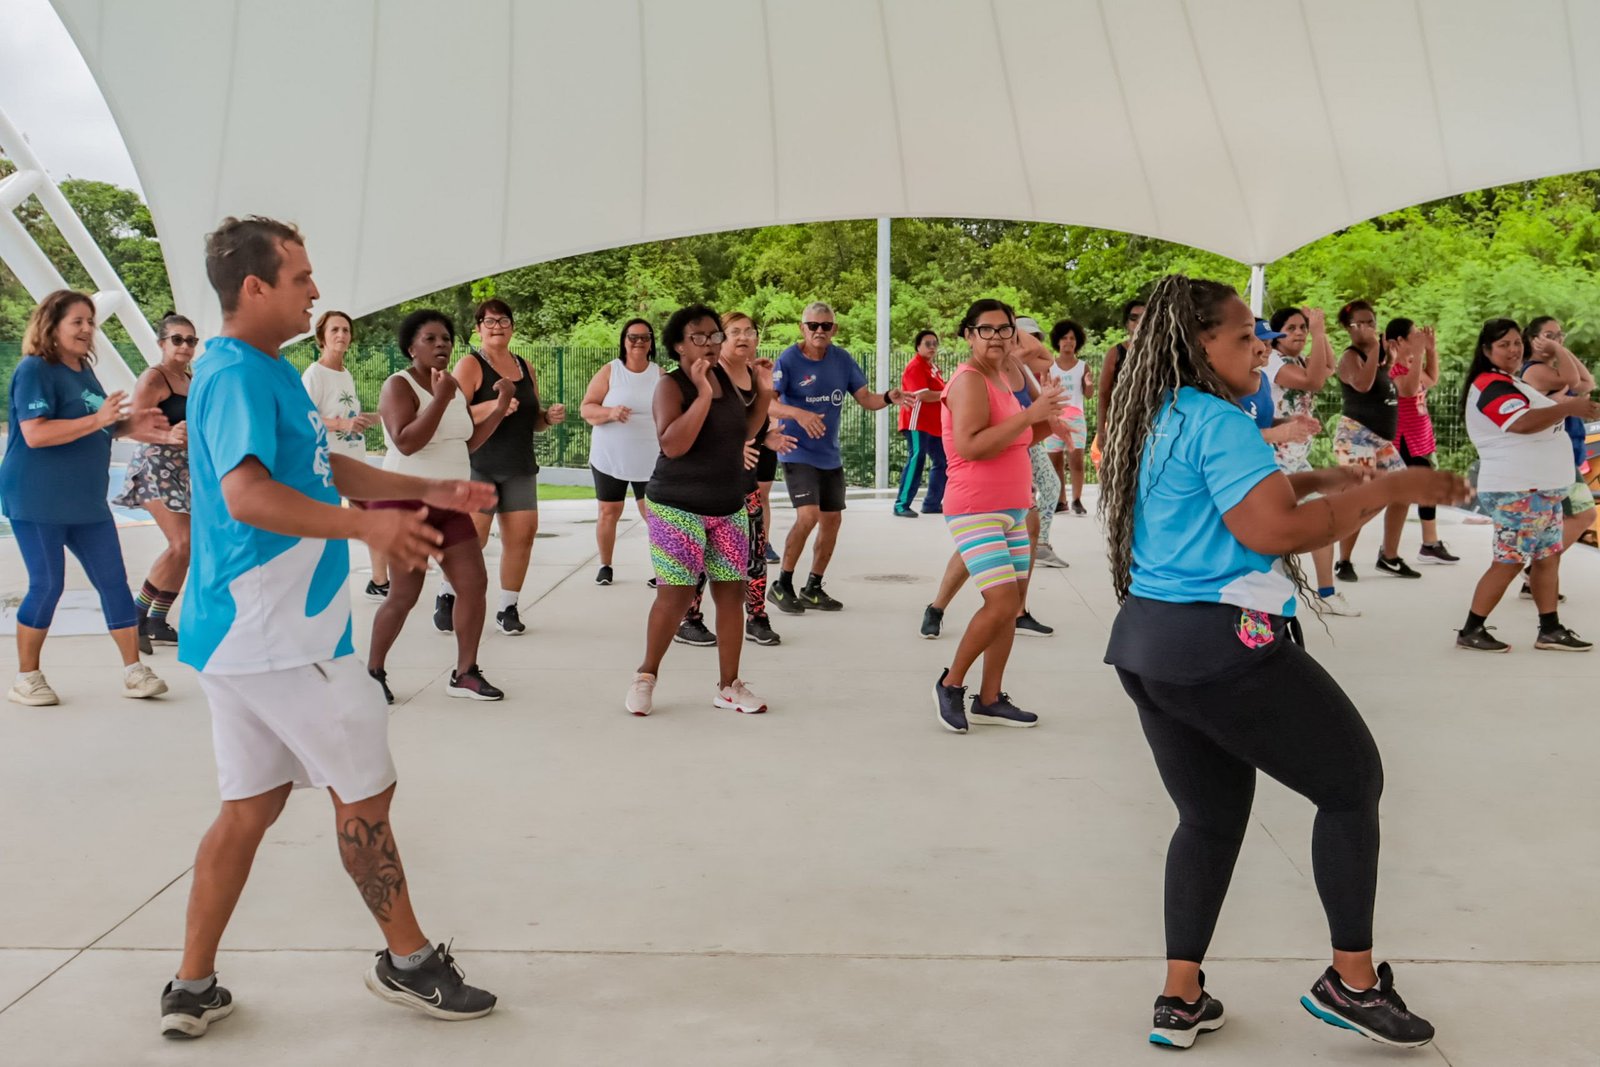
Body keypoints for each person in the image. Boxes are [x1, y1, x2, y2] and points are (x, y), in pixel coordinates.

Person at [1098, 274, 1466, 1051]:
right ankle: (1352, 979)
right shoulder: (1223, 421)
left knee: (1207, 817)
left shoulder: (1158, 415)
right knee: (1351, 781)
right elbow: (1273, 531)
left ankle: (1180, 992)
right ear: (1200, 344)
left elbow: (1232, 497)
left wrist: (1323, 478)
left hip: (1148, 645)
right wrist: (1394, 487)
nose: (1260, 347)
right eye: (1243, 337)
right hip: (1224, 646)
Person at [165, 216, 497, 1039]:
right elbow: (246, 495)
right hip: (285, 637)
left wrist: (425, 493)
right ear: (254, 288)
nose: (316, 291)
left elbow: (325, 465)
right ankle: (409, 960)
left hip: (243, 637)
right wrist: (367, 530)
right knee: (366, 792)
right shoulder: (239, 375)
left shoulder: (263, 369)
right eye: (301, 277)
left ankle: (193, 984)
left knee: (250, 805)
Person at [0, 290, 172, 705]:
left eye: (91, 322)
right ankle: (27, 677)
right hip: (38, 497)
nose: (87, 329)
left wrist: (130, 423)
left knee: (113, 580)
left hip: (85, 499)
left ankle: (134, 670)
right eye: (77, 321)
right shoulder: (36, 369)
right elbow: (35, 433)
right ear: (52, 325)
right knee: (48, 584)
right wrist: (100, 418)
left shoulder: (83, 370)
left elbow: (96, 427)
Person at [624, 304, 773, 717]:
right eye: (699, 337)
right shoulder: (671, 386)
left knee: (731, 595)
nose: (710, 344)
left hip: (727, 505)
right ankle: (645, 676)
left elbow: (744, 430)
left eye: (714, 335)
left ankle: (729, 686)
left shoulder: (726, 377)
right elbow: (673, 444)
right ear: (678, 345)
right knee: (676, 596)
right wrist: (704, 394)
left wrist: (763, 389)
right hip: (677, 505)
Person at [931, 299, 1066, 733]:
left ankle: (989, 698)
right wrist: (1031, 414)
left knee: (1010, 608)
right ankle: (951, 684)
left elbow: (1018, 439)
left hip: (1013, 504)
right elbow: (971, 445)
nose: (995, 338)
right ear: (968, 335)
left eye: (1003, 329)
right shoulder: (969, 380)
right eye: (984, 330)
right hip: (975, 507)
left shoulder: (1006, 378)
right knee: (1003, 602)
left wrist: (1049, 421)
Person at [366, 310, 511, 702]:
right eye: (430, 339)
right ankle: (372, 672)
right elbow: (406, 441)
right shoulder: (398, 385)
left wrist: (498, 408)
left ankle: (465, 673)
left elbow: (464, 442)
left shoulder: (453, 389)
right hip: (406, 504)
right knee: (404, 594)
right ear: (411, 347)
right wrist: (442, 397)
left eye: (445, 338)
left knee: (474, 583)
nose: (440, 345)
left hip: (450, 503)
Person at [1456, 318, 1599, 652]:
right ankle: (1471, 629)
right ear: (1487, 350)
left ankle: (1550, 628)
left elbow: (1569, 384)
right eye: (1504, 344)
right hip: (1517, 489)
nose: (1513, 349)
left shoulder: (1511, 382)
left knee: (1548, 557)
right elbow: (1520, 423)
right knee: (1510, 560)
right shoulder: (1490, 384)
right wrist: (1569, 407)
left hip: (1540, 489)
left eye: (1517, 343)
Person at [767, 301, 904, 613]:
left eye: (825, 326)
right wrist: (798, 413)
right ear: (802, 328)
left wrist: (888, 398)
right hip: (796, 450)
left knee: (832, 520)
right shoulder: (788, 359)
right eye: (812, 325)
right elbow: (769, 404)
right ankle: (782, 584)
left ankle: (813, 588)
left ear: (834, 329)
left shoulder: (842, 359)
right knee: (808, 516)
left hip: (829, 455)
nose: (819, 331)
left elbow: (866, 399)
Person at [674, 313, 796, 648]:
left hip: (744, 483)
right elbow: (704, 425)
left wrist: (766, 436)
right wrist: (731, 449)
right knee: (701, 556)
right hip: (709, 486)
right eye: (733, 332)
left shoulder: (754, 373)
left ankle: (756, 617)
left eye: (749, 332)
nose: (742, 338)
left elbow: (752, 423)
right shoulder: (712, 374)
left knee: (755, 552)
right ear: (720, 339)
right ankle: (689, 619)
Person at [452, 299, 565, 636]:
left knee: (522, 538)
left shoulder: (524, 366)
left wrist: (547, 418)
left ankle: (508, 607)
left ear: (512, 327)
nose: (497, 326)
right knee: (474, 540)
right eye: (489, 321)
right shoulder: (470, 365)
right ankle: (448, 595)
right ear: (478, 329)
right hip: (479, 465)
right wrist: (492, 405)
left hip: (518, 464)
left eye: (503, 320)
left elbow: (533, 420)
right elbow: (451, 416)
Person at [1264, 306, 1357, 616]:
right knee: (1276, 531)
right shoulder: (1272, 363)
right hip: (1273, 462)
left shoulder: (1302, 360)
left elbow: (1327, 366)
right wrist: (1316, 332)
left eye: (1303, 327)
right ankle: (1271, 593)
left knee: (1323, 521)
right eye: (1291, 328)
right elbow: (1313, 382)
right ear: (1276, 336)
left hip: (1297, 461)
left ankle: (1326, 593)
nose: (1300, 333)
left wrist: (1321, 332)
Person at [114, 312, 198, 653]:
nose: (185, 346)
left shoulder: (189, 378)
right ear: (162, 343)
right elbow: (130, 426)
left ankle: (156, 621)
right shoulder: (154, 377)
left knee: (187, 548)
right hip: (154, 468)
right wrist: (167, 434)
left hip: (181, 470)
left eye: (191, 340)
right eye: (177, 339)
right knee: (181, 543)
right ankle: (135, 616)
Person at [301, 310, 386, 600]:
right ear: (321, 337)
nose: (341, 335)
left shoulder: (345, 373)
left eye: (346, 330)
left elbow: (347, 414)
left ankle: (379, 582)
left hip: (354, 460)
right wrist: (342, 424)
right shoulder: (314, 374)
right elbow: (303, 419)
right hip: (327, 463)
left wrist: (377, 417)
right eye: (335, 330)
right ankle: (321, 587)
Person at [1332, 300, 1420, 580]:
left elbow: (1398, 387)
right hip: (1356, 435)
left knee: (1403, 490)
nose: (1369, 328)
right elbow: (1363, 384)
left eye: (1372, 321)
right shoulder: (1350, 356)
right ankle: (1343, 560)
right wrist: (1372, 352)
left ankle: (1389, 556)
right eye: (1361, 323)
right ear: (1348, 327)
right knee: (1362, 497)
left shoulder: (1379, 358)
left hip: (1379, 440)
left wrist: (1392, 360)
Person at [1519, 316, 1597, 600]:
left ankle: (1535, 579)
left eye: (1560, 335)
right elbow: (1577, 381)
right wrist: (1558, 351)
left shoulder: (1554, 368)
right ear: (1533, 340)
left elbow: (1588, 383)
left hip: (1564, 456)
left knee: (1562, 520)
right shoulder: (1536, 371)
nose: (1557, 339)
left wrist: (1561, 349)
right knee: (1582, 514)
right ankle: (1537, 570)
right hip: (1552, 461)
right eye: (1549, 335)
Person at [582, 318, 660, 586]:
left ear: (651, 343)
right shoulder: (610, 371)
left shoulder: (660, 375)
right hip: (610, 457)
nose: (639, 342)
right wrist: (610, 412)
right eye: (633, 337)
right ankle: (605, 565)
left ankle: (663, 569)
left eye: (644, 337)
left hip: (649, 458)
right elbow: (587, 409)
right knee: (608, 511)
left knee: (653, 513)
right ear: (623, 341)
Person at [1387, 318, 1459, 565]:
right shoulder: (1393, 368)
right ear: (1399, 341)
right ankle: (1426, 544)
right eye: (1414, 336)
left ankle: (1429, 543)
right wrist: (1418, 353)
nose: (1419, 338)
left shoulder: (1410, 363)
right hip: (1403, 439)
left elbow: (1431, 379)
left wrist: (1430, 350)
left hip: (1419, 437)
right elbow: (1406, 390)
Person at [1014, 317, 1068, 574]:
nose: (1035, 341)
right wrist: (1012, 328)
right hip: (1016, 436)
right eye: (1030, 335)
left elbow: (1045, 356)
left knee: (1039, 489)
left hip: (1025, 436)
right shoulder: (1011, 361)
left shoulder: (1024, 367)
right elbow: (1039, 351)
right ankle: (1037, 544)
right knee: (1047, 486)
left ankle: (1035, 543)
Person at [894, 329, 947, 517]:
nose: (932, 347)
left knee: (943, 461)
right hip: (917, 422)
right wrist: (948, 393)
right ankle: (901, 505)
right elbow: (922, 394)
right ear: (918, 346)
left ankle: (932, 503)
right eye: (927, 343)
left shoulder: (932, 367)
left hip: (933, 424)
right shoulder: (915, 366)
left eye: (935, 343)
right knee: (917, 458)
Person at [1090, 297, 1145, 469]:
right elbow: (1104, 393)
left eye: (1143, 317)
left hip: (1152, 422)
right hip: (1121, 423)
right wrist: (1101, 431)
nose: (1138, 322)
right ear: (1126, 323)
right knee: (1123, 471)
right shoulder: (1116, 352)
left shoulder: (1160, 353)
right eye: (1133, 317)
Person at [1046, 318, 1093, 515]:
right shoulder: (1049, 366)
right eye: (1064, 338)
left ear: (1077, 342)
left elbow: (1089, 394)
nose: (1068, 342)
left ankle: (1077, 499)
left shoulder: (1083, 366)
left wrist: (1089, 385)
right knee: (1055, 461)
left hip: (1075, 417)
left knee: (1076, 460)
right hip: (1055, 417)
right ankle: (1061, 500)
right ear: (1058, 341)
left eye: (1072, 338)